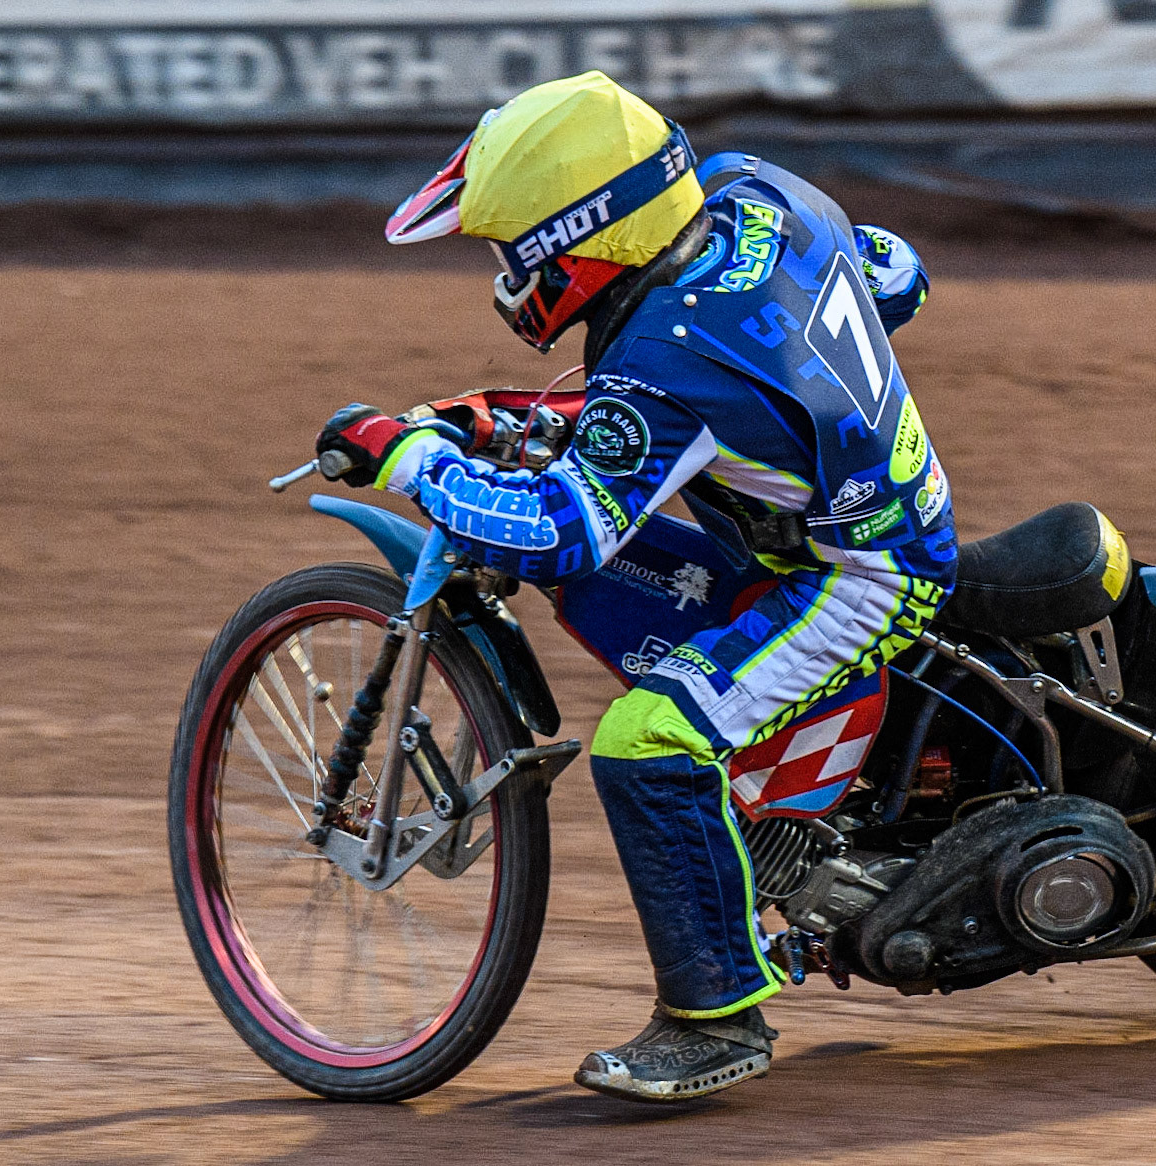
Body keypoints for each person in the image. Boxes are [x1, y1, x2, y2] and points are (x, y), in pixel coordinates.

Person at [312, 71, 956, 1103]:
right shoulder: (757, 191)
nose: (506, 276)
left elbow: (562, 531)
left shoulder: (661, 361)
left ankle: (714, 1018)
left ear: (578, 240)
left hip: (859, 575)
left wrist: (411, 461)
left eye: (511, 251)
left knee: (647, 739)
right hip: (861, 504)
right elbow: (898, 274)